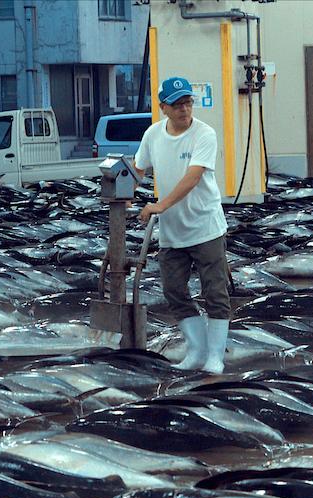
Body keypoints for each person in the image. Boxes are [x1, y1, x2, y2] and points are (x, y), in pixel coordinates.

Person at [135, 76, 230, 374]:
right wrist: (122, 191)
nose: (184, 109)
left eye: (188, 103)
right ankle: (196, 351)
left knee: (214, 291)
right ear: (163, 107)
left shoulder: (204, 134)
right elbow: (138, 169)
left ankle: (215, 356)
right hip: (172, 231)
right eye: (177, 105)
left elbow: (193, 176)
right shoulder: (152, 135)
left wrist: (160, 205)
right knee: (174, 290)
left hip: (205, 226)